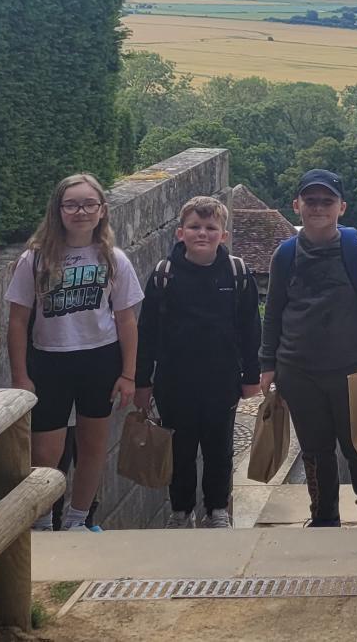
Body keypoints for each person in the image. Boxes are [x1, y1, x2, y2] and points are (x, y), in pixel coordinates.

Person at [7, 173, 142, 532]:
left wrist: (128, 374)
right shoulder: (34, 259)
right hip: (49, 359)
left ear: (102, 210)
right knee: (45, 451)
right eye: (71, 205)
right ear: (58, 210)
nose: (80, 212)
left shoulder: (113, 258)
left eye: (88, 204)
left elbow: (126, 320)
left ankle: (78, 519)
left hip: (99, 358)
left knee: (92, 445)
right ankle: (41, 520)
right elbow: (18, 320)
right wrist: (20, 375)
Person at [260, 169, 357, 528]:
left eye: (326, 201)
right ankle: (324, 516)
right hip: (298, 370)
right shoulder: (285, 255)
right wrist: (267, 364)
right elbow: (274, 311)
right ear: (296, 205)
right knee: (315, 450)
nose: (318, 207)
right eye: (310, 200)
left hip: (354, 367)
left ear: (341, 207)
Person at [133, 196, 262, 529]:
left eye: (210, 227)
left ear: (224, 235)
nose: (202, 233)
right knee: (180, 448)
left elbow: (250, 328)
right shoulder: (164, 275)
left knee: (220, 447)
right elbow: (147, 333)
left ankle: (217, 509)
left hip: (222, 378)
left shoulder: (237, 273)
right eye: (194, 227)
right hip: (174, 380)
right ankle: (181, 510)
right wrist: (142, 381)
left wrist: (252, 375)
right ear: (180, 233)